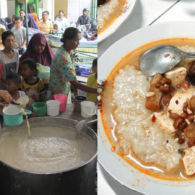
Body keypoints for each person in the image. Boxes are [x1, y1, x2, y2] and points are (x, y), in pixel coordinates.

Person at [49, 27, 96, 100]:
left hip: (64, 91)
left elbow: (72, 75)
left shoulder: (68, 52)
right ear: (68, 40)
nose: (78, 43)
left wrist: (75, 93)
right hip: (58, 94)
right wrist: (97, 91)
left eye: (78, 40)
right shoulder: (62, 57)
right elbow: (75, 83)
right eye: (76, 40)